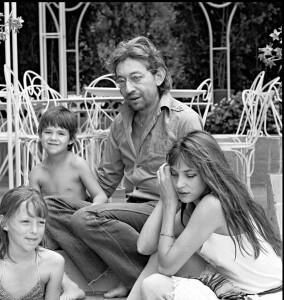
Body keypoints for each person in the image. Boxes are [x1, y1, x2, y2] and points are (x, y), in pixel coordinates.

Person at [63, 35, 203, 298]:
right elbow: (106, 181)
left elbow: (202, 183)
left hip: (166, 208)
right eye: (121, 81)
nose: (127, 88)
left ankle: (135, 276)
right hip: (131, 210)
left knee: (86, 218)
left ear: (158, 76)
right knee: (51, 206)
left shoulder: (185, 120)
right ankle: (119, 273)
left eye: (136, 78)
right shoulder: (119, 122)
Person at [127, 130, 282, 300]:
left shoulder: (213, 205)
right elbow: (145, 246)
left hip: (262, 296)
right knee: (159, 256)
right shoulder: (194, 207)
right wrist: (164, 200)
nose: (180, 184)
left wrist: (170, 205)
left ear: (209, 172)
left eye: (190, 175)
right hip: (232, 290)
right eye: (174, 174)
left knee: (154, 284)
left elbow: (166, 268)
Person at [29, 105, 108, 299]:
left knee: (50, 207)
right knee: (30, 241)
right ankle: (70, 286)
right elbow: (33, 208)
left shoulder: (77, 164)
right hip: (51, 227)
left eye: (60, 133)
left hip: (76, 223)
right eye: (47, 132)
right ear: (40, 135)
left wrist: (89, 214)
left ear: (71, 139)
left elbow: (100, 196)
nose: (53, 137)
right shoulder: (37, 172)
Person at [0, 186, 65, 300]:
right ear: (4, 223)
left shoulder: (54, 263)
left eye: (41, 223)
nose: (34, 230)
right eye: (25, 221)